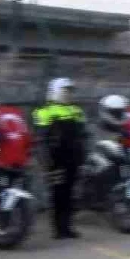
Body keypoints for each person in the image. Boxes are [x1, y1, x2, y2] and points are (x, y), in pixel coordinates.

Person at [34, 78, 87, 240]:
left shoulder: (77, 111)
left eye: (70, 91)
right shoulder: (44, 111)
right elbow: (41, 140)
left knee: (71, 194)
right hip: (55, 159)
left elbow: (83, 136)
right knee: (57, 194)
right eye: (65, 91)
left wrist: (84, 156)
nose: (68, 94)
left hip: (74, 159)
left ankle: (68, 227)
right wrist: (45, 161)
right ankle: (58, 229)